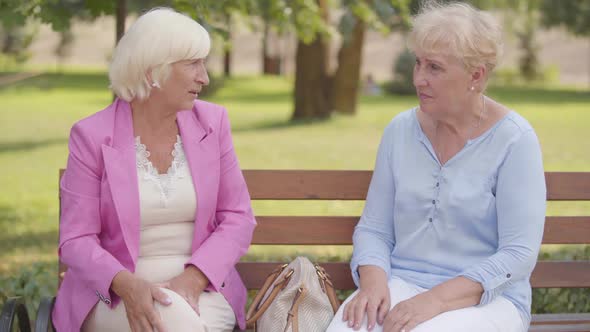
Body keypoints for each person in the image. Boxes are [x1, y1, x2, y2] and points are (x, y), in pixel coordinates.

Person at [327, 2, 546, 332]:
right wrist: (372, 284)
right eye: (418, 63)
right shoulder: (400, 131)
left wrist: (433, 301)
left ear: (476, 75)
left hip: (488, 299)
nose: (418, 79)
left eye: (434, 68)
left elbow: (518, 254)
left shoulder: (515, 141)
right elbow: (375, 228)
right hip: (400, 284)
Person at [52, 7, 256, 332]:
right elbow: (76, 239)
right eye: (193, 63)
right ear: (153, 71)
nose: (204, 77)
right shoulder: (91, 136)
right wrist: (128, 286)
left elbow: (238, 217)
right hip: (114, 294)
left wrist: (192, 279)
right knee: (176, 323)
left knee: (179, 321)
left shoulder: (212, 123)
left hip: (202, 286)